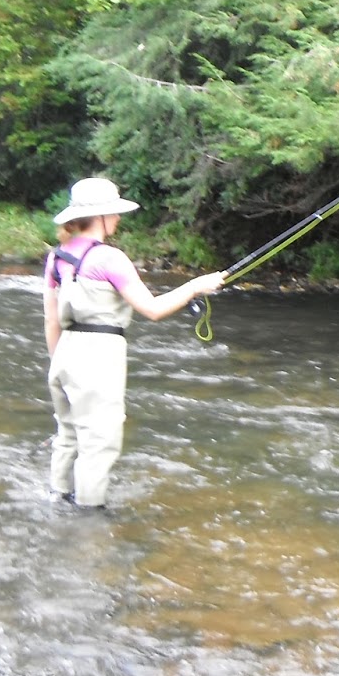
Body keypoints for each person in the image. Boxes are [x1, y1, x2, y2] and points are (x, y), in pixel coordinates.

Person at [42, 177, 225, 509]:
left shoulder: (57, 258)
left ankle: (58, 499)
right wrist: (196, 286)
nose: (118, 218)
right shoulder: (109, 259)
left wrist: (58, 364)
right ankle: (89, 518)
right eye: (113, 212)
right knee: (99, 441)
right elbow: (153, 309)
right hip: (99, 356)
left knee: (68, 435)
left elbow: (51, 320)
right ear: (98, 217)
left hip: (64, 354)